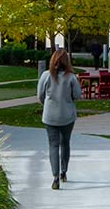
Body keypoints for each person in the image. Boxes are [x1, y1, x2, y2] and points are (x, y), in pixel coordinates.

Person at [37, 49, 82, 190]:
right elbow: (77, 95)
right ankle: (64, 172)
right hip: (67, 116)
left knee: (53, 145)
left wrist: (47, 104)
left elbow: (40, 95)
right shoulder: (71, 77)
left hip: (50, 116)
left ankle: (55, 177)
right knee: (65, 143)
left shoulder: (46, 76)